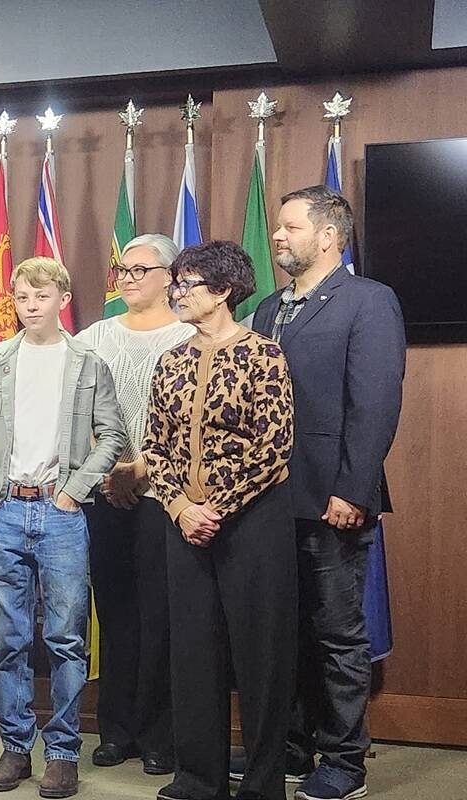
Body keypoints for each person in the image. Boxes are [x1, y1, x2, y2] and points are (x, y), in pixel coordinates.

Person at [249, 186, 405, 800]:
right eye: (277, 227)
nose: (277, 236)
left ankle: (344, 762)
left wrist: (353, 490)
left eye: (290, 227)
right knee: (283, 633)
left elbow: (375, 404)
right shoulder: (268, 308)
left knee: (337, 635)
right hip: (269, 503)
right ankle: (291, 748)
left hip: (333, 500)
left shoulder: (369, 301)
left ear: (329, 236)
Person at [0, 256, 126, 799]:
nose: (31, 307)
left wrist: (73, 490)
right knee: (11, 639)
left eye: (41, 297)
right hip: (5, 509)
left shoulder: (86, 362)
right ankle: (15, 747)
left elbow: (111, 435)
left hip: (60, 513)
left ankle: (62, 753)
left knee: (64, 637)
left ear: (63, 299)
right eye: (22, 298)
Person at [144, 241, 296, 800]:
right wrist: (182, 508)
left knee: (261, 655)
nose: (176, 293)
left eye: (187, 284)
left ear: (224, 291)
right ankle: (198, 778)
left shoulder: (264, 356)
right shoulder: (171, 361)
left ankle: (262, 783)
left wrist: (217, 508)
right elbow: (154, 445)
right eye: (175, 283)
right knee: (193, 650)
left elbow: (274, 445)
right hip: (184, 521)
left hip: (253, 521)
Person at [75, 234, 193, 776]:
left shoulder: (188, 335)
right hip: (105, 492)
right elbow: (75, 409)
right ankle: (115, 730)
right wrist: (108, 473)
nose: (126, 277)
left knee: (161, 615)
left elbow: (191, 423)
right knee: (114, 612)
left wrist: (141, 470)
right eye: (122, 268)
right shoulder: (96, 336)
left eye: (140, 269)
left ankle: (159, 734)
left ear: (170, 277)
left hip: (166, 496)